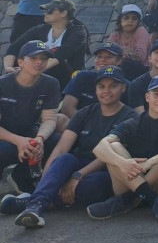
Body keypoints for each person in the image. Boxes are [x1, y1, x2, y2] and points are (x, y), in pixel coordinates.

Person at [1, 66, 137, 228]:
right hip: (76, 163)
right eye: (101, 86)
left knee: (99, 183)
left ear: (123, 88)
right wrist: (46, 179)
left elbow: (106, 156)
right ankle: (35, 205)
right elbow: (61, 149)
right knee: (64, 158)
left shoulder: (130, 116)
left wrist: (77, 176)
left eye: (113, 86)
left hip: (105, 169)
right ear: (95, 89)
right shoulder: (85, 112)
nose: (106, 91)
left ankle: (31, 202)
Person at [87, 74, 158, 224]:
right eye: (156, 94)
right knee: (113, 146)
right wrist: (122, 163)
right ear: (147, 97)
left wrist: (150, 162)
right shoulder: (133, 121)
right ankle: (153, 199)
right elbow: (99, 148)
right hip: (131, 182)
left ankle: (129, 199)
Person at [0, 41, 61, 194]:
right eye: (33, 58)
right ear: (20, 62)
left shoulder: (51, 83)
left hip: (30, 134)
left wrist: (40, 138)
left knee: (58, 141)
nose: (39, 62)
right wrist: (19, 141)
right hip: (5, 136)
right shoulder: (3, 84)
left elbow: (49, 118)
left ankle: (23, 177)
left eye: (44, 58)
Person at [4, 0, 89, 89]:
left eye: (50, 11)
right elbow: (15, 47)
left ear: (64, 13)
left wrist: (29, 70)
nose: (45, 13)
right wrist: (9, 67)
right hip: (40, 73)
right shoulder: (41, 29)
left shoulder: (78, 32)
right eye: (45, 11)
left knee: (52, 64)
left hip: (67, 78)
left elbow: (61, 55)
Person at [58, 42, 124, 130]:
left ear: (119, 61)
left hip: (107, 130)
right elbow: (67, 108)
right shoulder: (82, 76)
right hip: (78, 124)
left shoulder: (124, 85)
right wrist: (89, 126)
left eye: (109, 57)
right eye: (99, 57)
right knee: (60, 119)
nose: (102, 60)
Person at [106, 4, 150, 79]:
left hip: (142, 71)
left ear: (138, 22)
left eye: (134, 18)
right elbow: (107, 53)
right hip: (118, 67)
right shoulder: (116, 34)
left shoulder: (141, 31)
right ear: (120, 20)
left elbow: (140, 57)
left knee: (126, 64)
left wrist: (118, 52)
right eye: (126, 18)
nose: (130, 21)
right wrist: (124, 50)